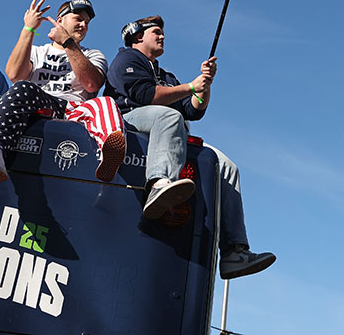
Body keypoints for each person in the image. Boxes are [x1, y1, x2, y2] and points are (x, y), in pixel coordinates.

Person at [104, 15, 275, 280]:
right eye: (156, 32)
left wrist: (204, 87)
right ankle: (159, 183)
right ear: (138, 36)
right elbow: (145, 96)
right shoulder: (126, 59)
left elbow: (193, 110)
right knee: (169, 116)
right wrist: (190, 86)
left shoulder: (166, 75)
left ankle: (233, 252)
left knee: (227, 167)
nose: (162, 36)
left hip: (170, 132)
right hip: (130, 122)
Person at [0, 0, 126, 183]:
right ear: (59, 20)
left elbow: (92, 85)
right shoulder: (37, 51)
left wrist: (68, 43)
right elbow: (15, 74)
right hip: (40, 104)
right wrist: (29, 28)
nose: (83, 25)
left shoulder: (93, 54)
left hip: (76, 109)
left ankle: (109, 155)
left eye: (87, 23)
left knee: (104, 102)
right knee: (22, 87)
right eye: (78, 19)